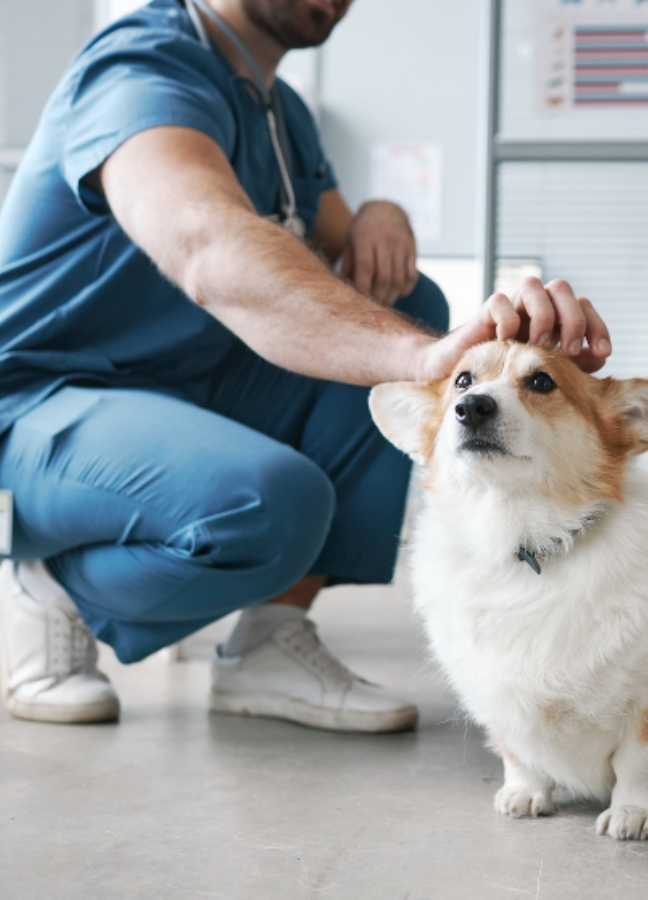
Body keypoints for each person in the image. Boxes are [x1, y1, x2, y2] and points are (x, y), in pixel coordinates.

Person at [0, 0, 611, 730]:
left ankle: (268, 639)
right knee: (271, 502)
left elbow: (339, 240)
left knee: (404, 295)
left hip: (187, 390)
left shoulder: (278, 110)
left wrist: (384, 214)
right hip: (46, 400)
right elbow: (207, 247)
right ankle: (48, 589)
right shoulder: (141, 71)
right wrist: (427, 359)